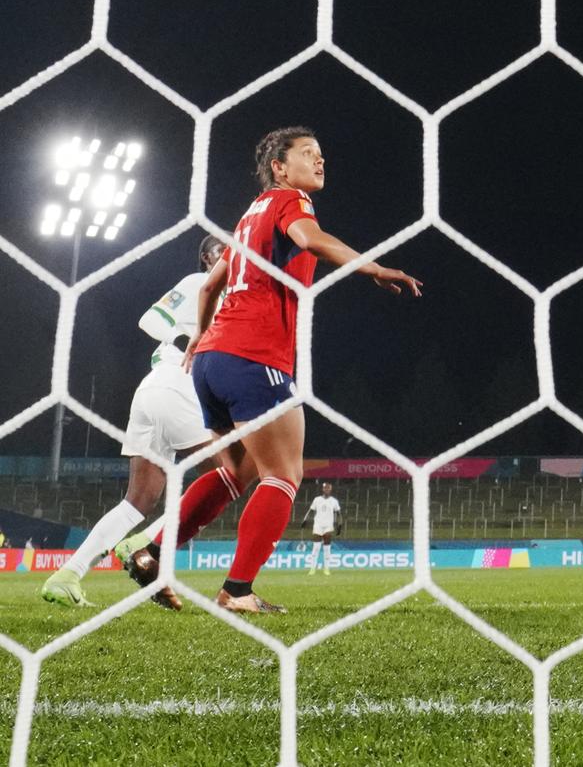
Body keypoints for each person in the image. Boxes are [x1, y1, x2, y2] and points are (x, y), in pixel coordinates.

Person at [122, 127, 421, 617]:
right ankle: (237, 590)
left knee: (236, 472)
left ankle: (151, 552)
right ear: (279, 167)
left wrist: (200, 336)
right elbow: (312, 239)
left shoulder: (248, 217)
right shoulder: (289, 201)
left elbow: (208, 288)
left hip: (213, 361)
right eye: (308, 154)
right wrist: (374, 269)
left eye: (322, 154)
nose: (320, 161)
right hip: (254, 356)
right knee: (284, 474)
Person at [41, 237, 227, 609]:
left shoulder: (230, 299)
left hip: (156, 391)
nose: (232, 255)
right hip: (175, 383)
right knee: (232, 473)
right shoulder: (198, 284)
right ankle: (148, 545)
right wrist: (187, 338)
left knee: (138, 501)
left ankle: (68, 575)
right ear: (207, 258)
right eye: (222, 249)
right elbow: (150, 319)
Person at [304, 481, 341, 575]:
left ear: (331, 489)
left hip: (328, 526)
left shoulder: (334, 501)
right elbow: (311, 511)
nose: (327, 489)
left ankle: (326, 568)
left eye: (328, 488)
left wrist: (340, 524)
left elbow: (338, 513)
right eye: (325, 488)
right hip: (318, 525)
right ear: (323, 489)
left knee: (327, 548)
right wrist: (305, 520)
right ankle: (312, 569)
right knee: (316, 548)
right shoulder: (317, 500)